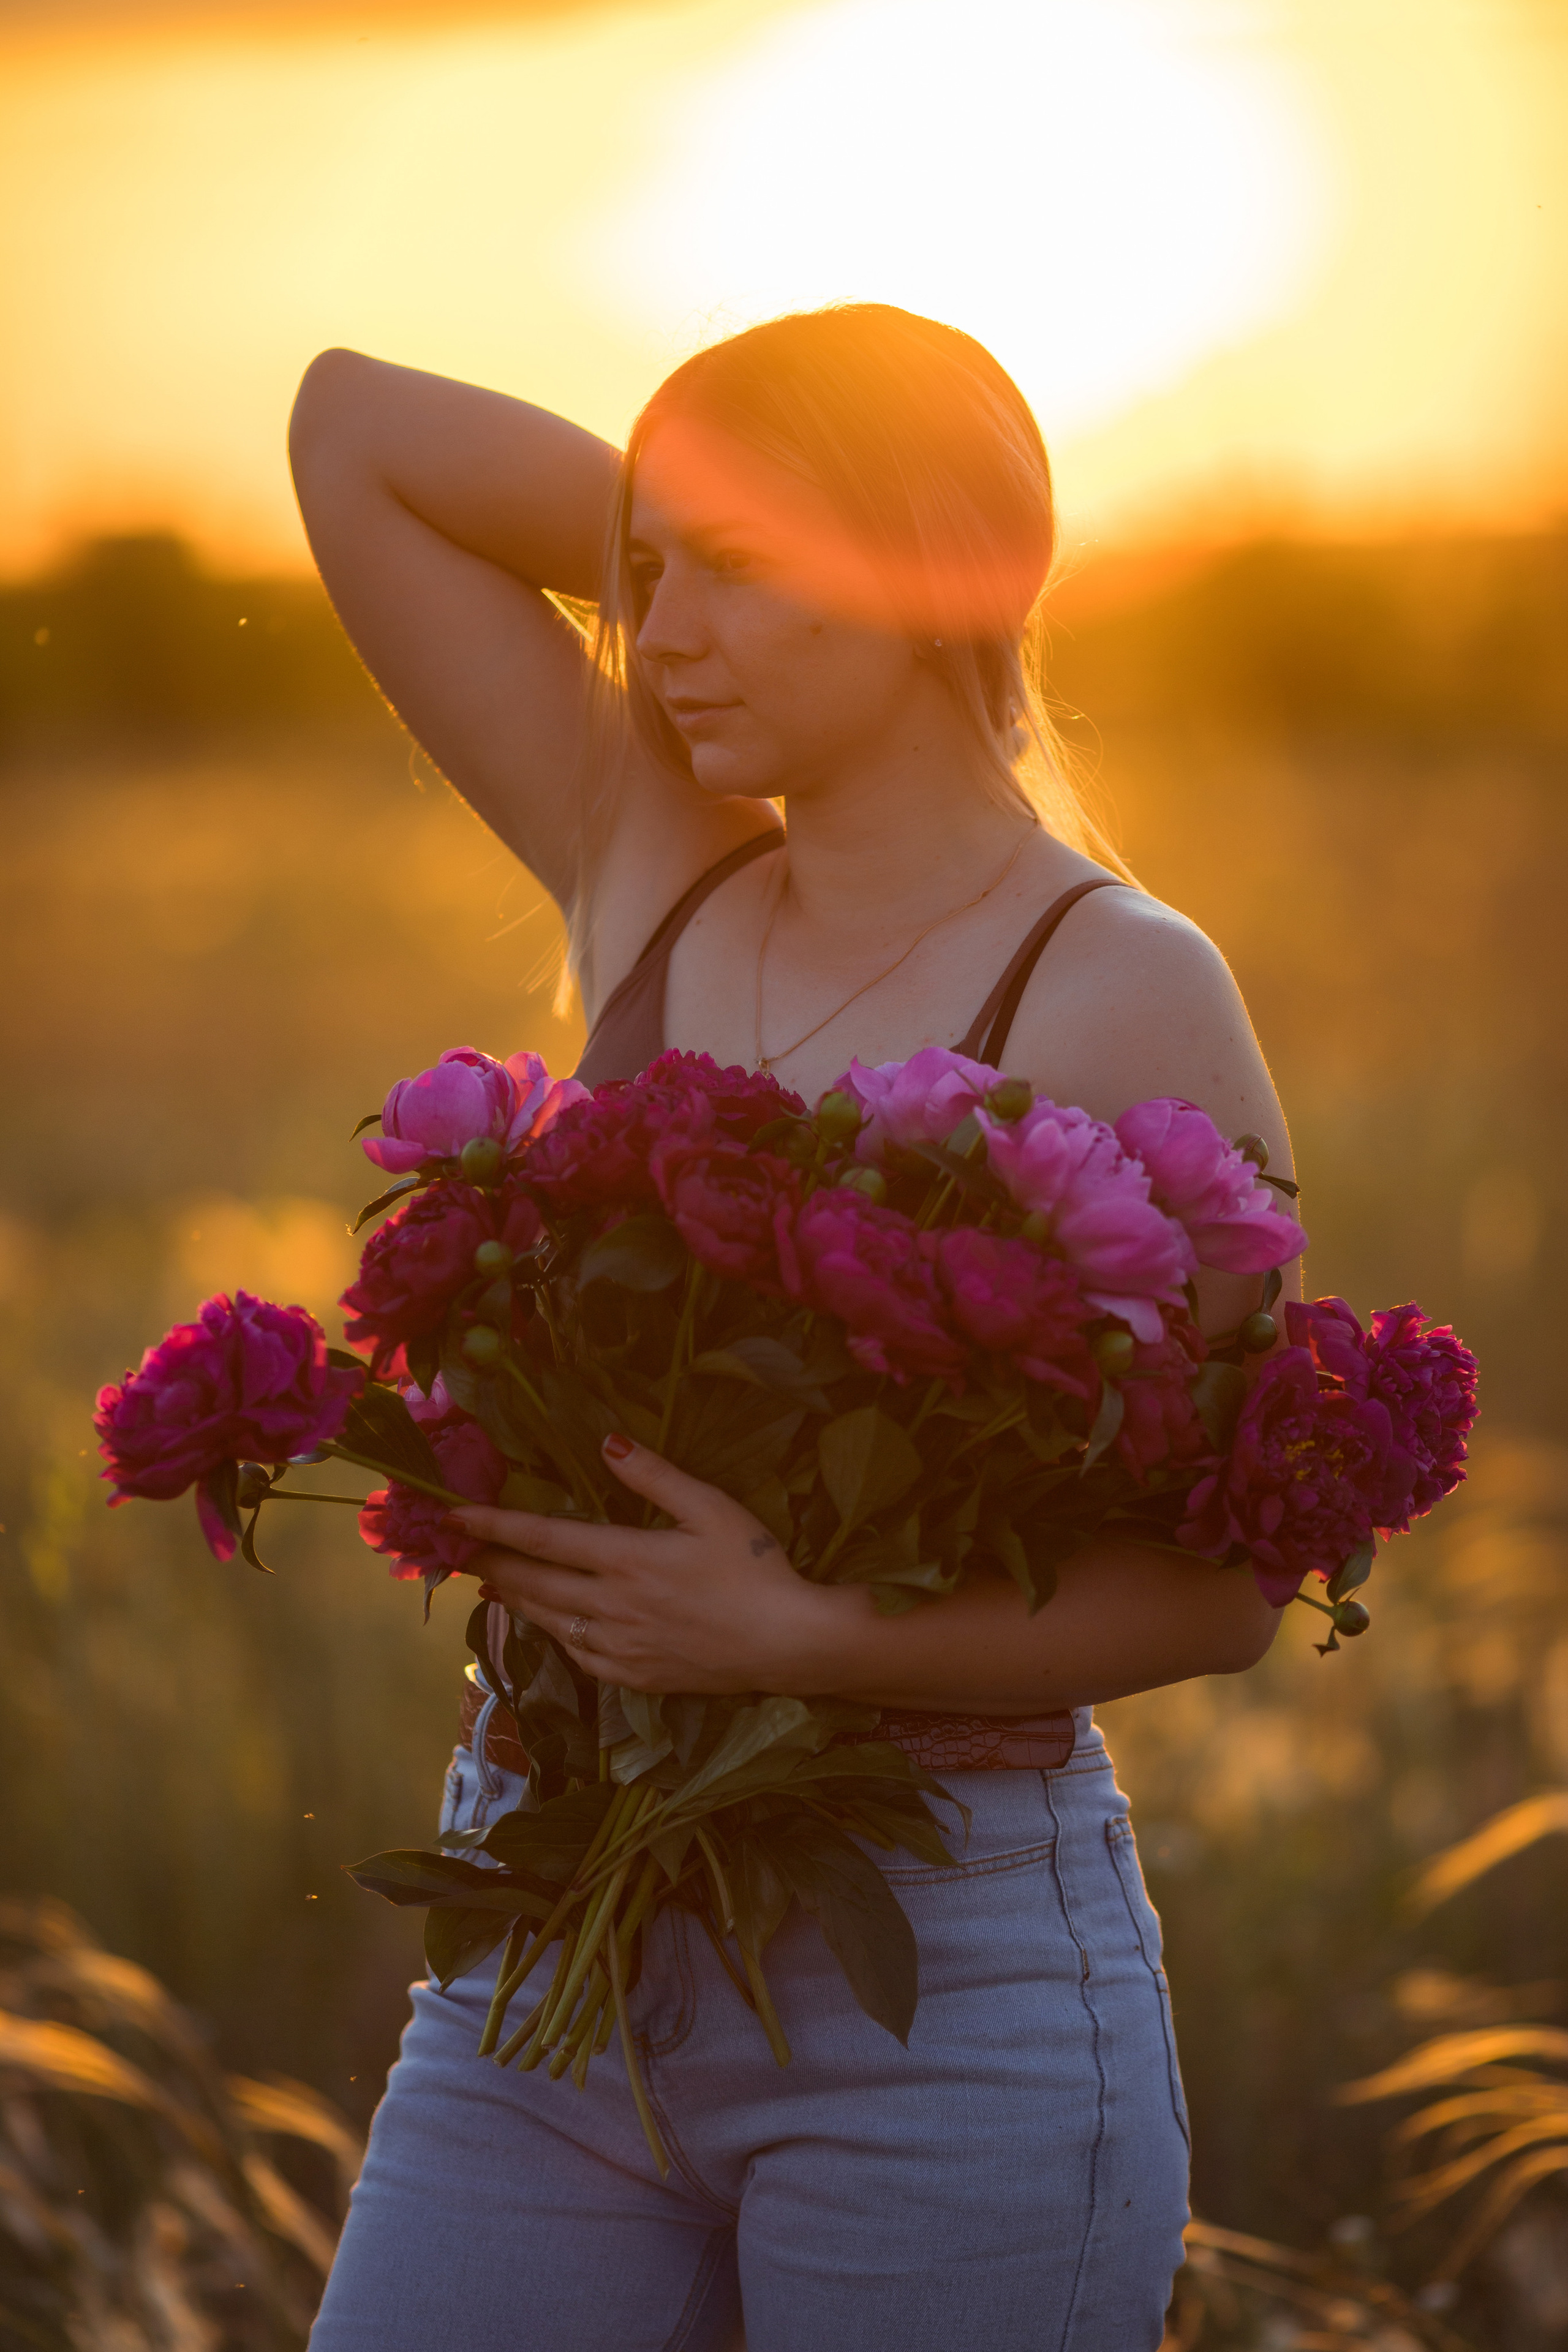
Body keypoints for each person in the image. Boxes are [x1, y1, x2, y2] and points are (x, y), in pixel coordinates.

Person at [290, 304, 1295, 2352]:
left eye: (732, 572)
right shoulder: (647, 869)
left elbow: (1230, 1594)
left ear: (943, 570)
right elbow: (355, 431)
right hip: (552, 1936)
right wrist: (712, 529)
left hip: (947, 1999)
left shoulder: (1121, 989)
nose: (655, 635)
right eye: (645, 575)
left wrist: (805, 1642)